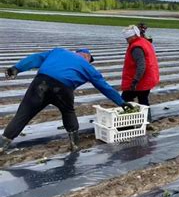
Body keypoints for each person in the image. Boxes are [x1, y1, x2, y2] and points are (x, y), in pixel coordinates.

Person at [0, 48, 132, 154]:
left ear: (76, 53)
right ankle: (74, 145)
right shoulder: (88, 67)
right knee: (68, 112)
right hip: (63, 90)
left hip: (41, 83)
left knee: (23, 114)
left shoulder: (59, 51)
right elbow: (104, 87)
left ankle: (2, 145)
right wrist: (121, 102)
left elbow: (35, 58)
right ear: (88, 57)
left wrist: (17, 68)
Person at [121, 25, 160, 125]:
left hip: (141, 79)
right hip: (148, 78)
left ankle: (130, 120)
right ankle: (147, 121)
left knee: (125, 99)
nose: (127, 40)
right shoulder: (144, 42)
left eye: (128, 38)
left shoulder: (136, 47)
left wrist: (135, 81)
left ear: (133, 36)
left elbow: (141, 65)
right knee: (143, 99)